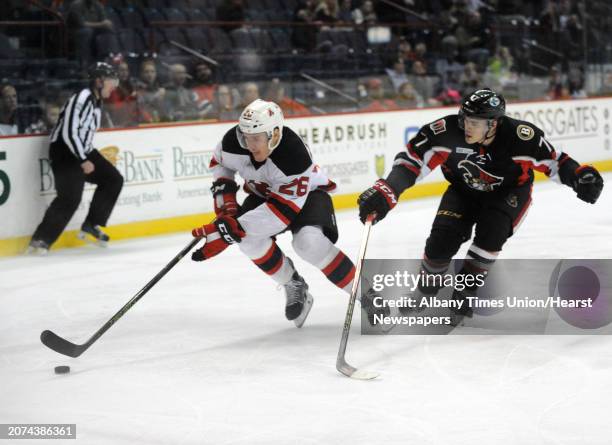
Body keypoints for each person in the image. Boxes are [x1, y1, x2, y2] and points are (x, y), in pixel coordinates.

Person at [357, 88, 604, 323]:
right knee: (440, 242)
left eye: (474, 122)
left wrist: (580, 177)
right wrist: (388, 189)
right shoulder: (445, 131)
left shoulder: (522, 138)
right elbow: (412, 161)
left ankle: (464, 292)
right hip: (463, 190)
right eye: (465, 118)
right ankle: (425, 292)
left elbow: (557, 162)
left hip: (508, 193)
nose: (466, 126)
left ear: (493, 124)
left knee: (490, 235)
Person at [190, 99, 386, 326]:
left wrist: (233, 229)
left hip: (307, 196)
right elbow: (220, 166)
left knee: (308, 243)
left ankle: (366, 294)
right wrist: (228, 210)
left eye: (256, 139)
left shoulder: (294, 155)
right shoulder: (233, 142)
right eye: (246, 138)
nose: (250, 145)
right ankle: (293, 283)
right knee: (247, 242)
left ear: (274, 134)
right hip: (264, 194)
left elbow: (280, 213)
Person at [27, 62, 125, 254]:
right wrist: (83, 159)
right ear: (98, 81)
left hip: (82, 151)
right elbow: (68, 132)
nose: (113, 85)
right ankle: (40, 241)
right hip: (65, 151)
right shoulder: (82, 98)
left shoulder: (98, 101)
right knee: (69, 198)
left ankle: (91, 224)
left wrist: (86, 156)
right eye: (110, 81)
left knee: (113, 179)